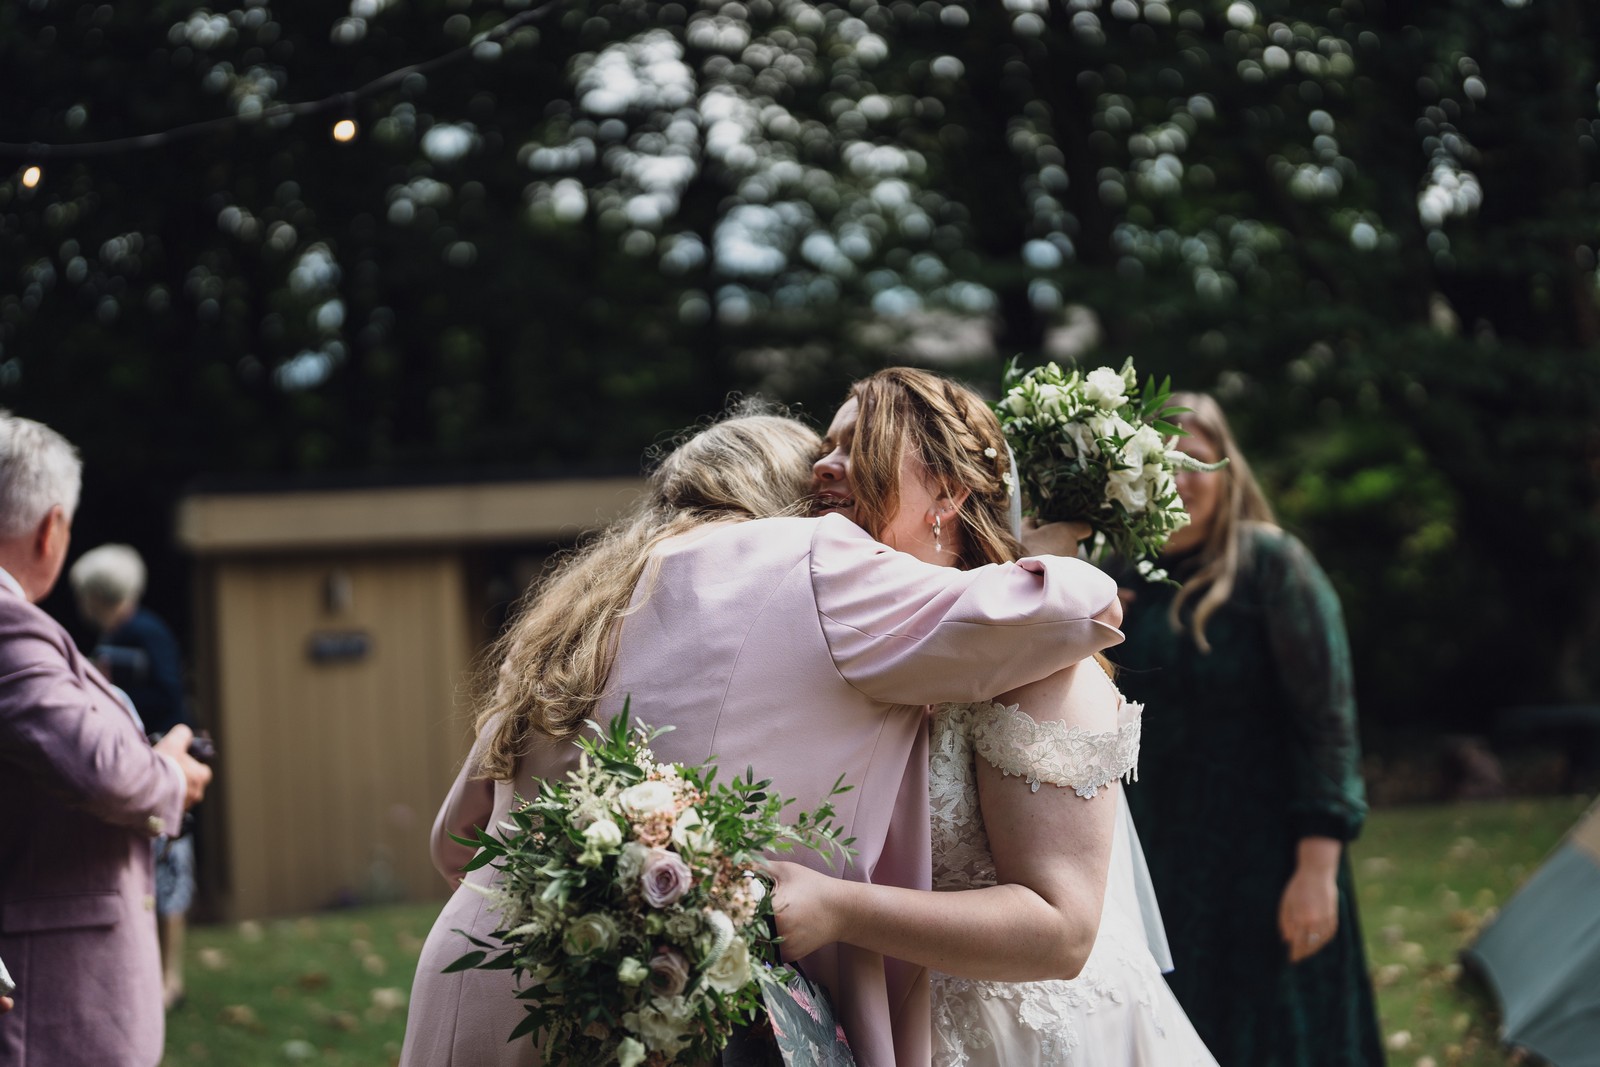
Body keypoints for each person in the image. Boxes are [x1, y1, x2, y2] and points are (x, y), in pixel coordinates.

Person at [399, 404, 1123, 1067]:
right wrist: (1038, 547)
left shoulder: (582, 603)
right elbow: (1075, 605)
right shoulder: (807, 555)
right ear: (793, 499)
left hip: (477, 967)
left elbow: (455, 838)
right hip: (625, 1001)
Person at [771, 368, 1219, 1065]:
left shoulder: (1037, 655)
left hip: (1033, 1035)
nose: (824, 465)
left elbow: (1061, 930)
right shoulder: (840, 651)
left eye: (858, 444)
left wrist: (837, 908)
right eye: (824, 448)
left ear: (948, 490)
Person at [1112, 393, 1385, 1066]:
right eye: (1162, 462)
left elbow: (1328, 720)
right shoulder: (1118, 577)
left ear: (1229, 472)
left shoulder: (1271, 563)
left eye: (1197, 463)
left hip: (1267, 858)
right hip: (1164, 857)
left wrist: (1317, 867)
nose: (1178, 480)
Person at [0, 411, 213, 1067]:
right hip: (50, 1002)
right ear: (51, 527)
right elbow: (104, 769)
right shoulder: (9, 629)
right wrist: (171, 773)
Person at [70, 542, 198, 1012]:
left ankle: (170, 981)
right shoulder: (113, 638)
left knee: (169, 875)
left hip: (160, 772)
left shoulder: (145, 633)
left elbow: (168, 694)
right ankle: (146, 979)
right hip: (134, 772)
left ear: (94, 595)